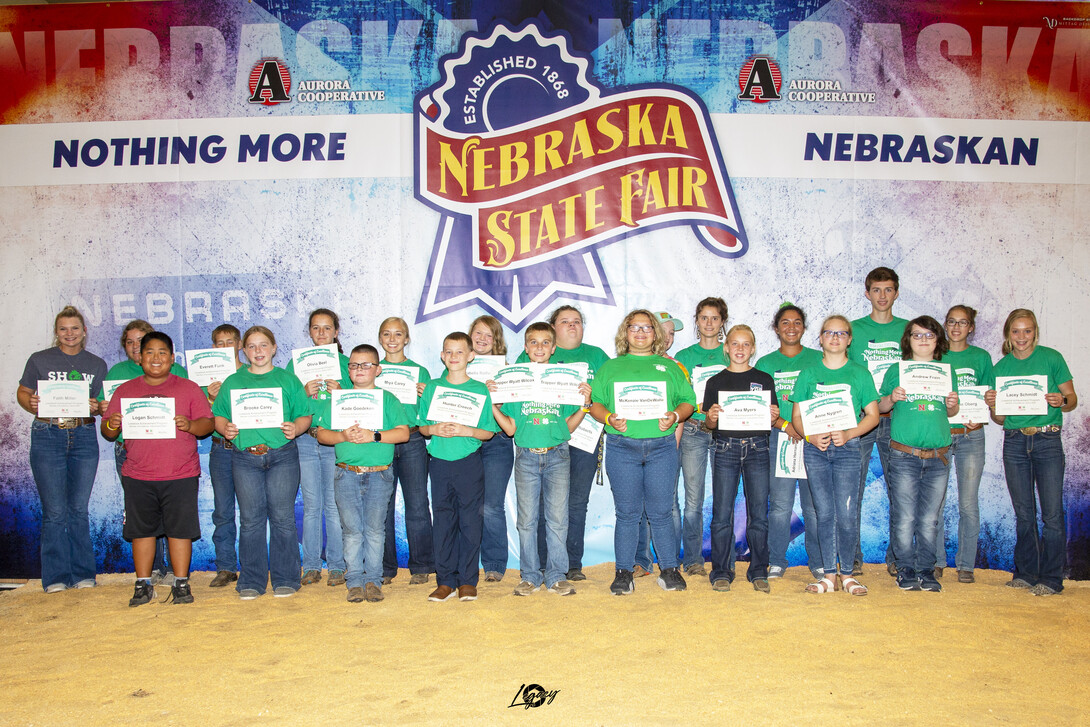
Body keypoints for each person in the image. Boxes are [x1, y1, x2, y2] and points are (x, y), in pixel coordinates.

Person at [101, 332, 213, 606]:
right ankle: (142, 583)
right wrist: (113, 423)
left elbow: (207, 424)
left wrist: (190, 425)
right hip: (138, 473)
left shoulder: (188, 388)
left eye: (162, 352)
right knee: (141, 531)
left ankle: (181, 582)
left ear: (172, 358)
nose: (156, 358)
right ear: (139, 358)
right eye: (149, 352)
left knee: (180, 530)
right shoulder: (125, 391)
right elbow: (107, 431)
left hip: (181, 473)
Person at [589, 309, 695, 595]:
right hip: (623, 447)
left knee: (661, 512)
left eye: (647, 328)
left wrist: (675, 416)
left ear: (655, 334)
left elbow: (689, 402)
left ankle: (669, 569)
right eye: (634, 327)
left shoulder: (671, 367)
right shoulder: (610, 368)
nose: (640, 332)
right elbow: (595, 404)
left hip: (662, 447)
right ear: (625, 333)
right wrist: (609, 418)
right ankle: (624, 571)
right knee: (627, 513)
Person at [490, 322, 590, 597]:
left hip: (558, 454)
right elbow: (510, 429)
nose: (539, 347)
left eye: (546, 342)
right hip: (525, 457)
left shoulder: (564, 379)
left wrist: (583, 405)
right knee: (527, 520)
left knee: (558, 519)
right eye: (533, 342)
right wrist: (493, 403)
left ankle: (557, 575)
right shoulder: (516, 380)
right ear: (525, 347)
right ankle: (530, 575)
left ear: (553, 347)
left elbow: (568, 428)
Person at [212, 326, 313, 600]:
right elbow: (218, 415)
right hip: (245, 457)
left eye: (263, 345)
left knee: (282, 518)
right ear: (243, 351)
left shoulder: (288, 380)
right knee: (251, 520)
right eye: (252, 346)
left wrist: (297, 428)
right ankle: (252, 580)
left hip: (282, 455)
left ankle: (286, 578)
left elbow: (305, 415)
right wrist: (226, 429)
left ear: (274, 348)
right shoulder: (233, 381)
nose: (258, 351)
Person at [986, 309, 1077, 596]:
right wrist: (993, 405)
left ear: (1035, 332)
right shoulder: (1001, 368)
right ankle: (1026, 572)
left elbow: (1071, 399)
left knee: (1051, 513)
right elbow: (1000, 419)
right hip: (1014, 441)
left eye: (1027, 331)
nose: (1021, 337)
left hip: (1047, 439)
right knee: (1024, 512)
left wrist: (1060, 399)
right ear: (1008, 335)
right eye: (1016, 331)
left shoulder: (1052, 358)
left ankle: (1051, 578)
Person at [17, 306, 107, 593]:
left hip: (83, 434)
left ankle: (82, 574)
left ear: (84, 332)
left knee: (78, 509)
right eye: (64, 329)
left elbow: (102, 402)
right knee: (55, 510)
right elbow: (23, 391)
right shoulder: (39, 360)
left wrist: (97, 405)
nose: (70, 334)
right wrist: (28, 402)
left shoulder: (96, 364)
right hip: (48, 433)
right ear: (56, 333)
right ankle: (55, 576)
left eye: (75, 328)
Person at [517, 305, 611, 581]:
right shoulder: (532, 353)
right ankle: (543, 563)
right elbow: (516, 390)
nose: (572, 326)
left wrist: (592, 401)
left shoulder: (597, 356)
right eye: (565, 321)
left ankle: (572, 564)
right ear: (552, 329)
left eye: (577, 321)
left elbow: (607, 393)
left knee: (576, 502)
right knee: (542, 505)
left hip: (585, 435)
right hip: (542, 435)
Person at [315, 344, 411, 603]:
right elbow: (321, 433)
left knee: (375, 530)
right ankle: (355, 580)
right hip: (345, 472)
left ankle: (374, 580)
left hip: (380, 474)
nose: (359, 369)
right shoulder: (339, 400)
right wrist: (342, 435)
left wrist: (374, 435)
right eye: (354, 365)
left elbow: (403, 432)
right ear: (348, 370)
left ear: (377, 370)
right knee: (351, 530)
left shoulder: (388, 399)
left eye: (366, 365)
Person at [791, 315, 879, 596]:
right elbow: (796, 416)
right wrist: (810, 436)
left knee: (847, 513)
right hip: (816, 450)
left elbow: (873, 416)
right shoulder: (808, 373)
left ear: (849, 339)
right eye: (829, 332)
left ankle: (849, 575)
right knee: (823, 513)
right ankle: (829, 575)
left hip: (848, 450)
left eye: (842, 333)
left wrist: (851, 434)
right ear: (820, 338)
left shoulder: (859, 373)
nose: (835, 338)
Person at [99, 319, 188, 585]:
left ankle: (176, 569)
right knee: (143, 513)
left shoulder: (179, 373)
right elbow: (107, 420)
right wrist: (105, 412)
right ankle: (155, 568)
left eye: (143, 341)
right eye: (130, 342)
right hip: (130, 449)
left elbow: (190, 408)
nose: (137, 347)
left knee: (173, 512)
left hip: (169, 450)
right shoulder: (117, 374)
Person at [878, 317, 960, 592]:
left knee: (929, 518)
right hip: (904, 454)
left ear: (938, 340)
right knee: (904, 516)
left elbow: (950, 413)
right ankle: (905, 569)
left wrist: (952, 404)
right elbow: (880, 406)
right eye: (917, 335)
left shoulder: (947, 372)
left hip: (938, 456)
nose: (923, 340)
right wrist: (892, 398)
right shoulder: (896, 370)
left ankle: (927, 569)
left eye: (929, 335)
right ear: (908, 340)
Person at [418, 332, 500, 602]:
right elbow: (422, 427)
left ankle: (467, 580)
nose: (454, 357)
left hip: (468, 464)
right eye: (448, 352)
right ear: (442, 356)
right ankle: (445, 581)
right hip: (439, 462)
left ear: (471, 355)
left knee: (470, 522)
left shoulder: (479, 390)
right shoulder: (432, 388)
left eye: (459, 352)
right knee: (442, 521)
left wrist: (466, 429)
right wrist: (435, 428)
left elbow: (488, 433)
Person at [702, 325, 777, 593]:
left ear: (753, 348)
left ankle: (758, 570)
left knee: (759, 513)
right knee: (722, 513)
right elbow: (710, 425)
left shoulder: (765, 380)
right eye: (735, 344)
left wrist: (773, 415)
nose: (740, 349)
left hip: (758, 448)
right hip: (725, 448)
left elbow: (773, 418)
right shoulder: (715, 382)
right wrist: (710, 419)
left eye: (746, 344)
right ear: (726, 347)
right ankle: (721, 571)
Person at [755, 304, 824, 579]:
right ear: (776, 328)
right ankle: (776, 561)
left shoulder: (819, 360)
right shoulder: (765, 364)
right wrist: (786, 424)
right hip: (779, 437)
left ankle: (818, 561)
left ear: (804, 328)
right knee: (781, 506)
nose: (791, 327)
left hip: (814, 439)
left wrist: (806, 429)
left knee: (814, 506)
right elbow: (759, 407)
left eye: (797, 322)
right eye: (785, 323)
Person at [848, 267, 907, 576]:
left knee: (900, 491)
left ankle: (897, 556)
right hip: (862, 419)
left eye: (888, 290)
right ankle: (852, 555)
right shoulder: (853, 331)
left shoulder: (910, 330)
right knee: (852, 489)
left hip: (899, 420)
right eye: (876, 290)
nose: (882, 296)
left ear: (896, 293)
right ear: (867, 293)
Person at [287, 308, 351, 588]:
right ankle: (311, 564)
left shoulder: (349, 364)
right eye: (316, 328)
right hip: (304, 439)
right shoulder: (294, 366)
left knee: (334, 506)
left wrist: (343, 393)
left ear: (336, 332)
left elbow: (363, 403)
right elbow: (285, 403)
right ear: (309, 332)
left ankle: (337, 566)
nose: (322, 333)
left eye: (327, 328)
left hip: (334, 439)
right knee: (312, 505)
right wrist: (302, 391)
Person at [936, 306, 994, 583]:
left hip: (972, 436)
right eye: (951, 322)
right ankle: (935, 560)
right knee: (936, 501)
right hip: (941, 435)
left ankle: (966, 565)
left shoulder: (981, 357)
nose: (956, 327)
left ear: (971, 327)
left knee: (968, 503)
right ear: (944, 325)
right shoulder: (935, 354)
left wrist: (982, 412)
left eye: (963, 323)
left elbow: (988, 397)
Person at [377, 316, 434, 585]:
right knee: (383, 505)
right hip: (383, 441)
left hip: (412, 441)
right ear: (380, 339)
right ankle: (386, 568)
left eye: (398, 334)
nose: (392, 339)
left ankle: (422, 566)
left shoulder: (420, 372)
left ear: (407, 339)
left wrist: (427, 396)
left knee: (418, 504)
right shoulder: (373, 371)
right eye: (386, 334)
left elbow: (430, 413)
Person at [674, 297, 729, 577]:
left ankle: (725, 558)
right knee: (693, 499)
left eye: (715, 318)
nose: (709, 323)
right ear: (696, 321)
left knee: (725, 496)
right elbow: (679, 399)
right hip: (694, 429)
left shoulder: (731, 353)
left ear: (722, 322)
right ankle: (694, 559)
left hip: (727, 432)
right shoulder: (684, 357)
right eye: (704, 317)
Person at [468, 314, 514, 582]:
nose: (483, 339)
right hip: (466, 440)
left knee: (492, 505)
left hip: (497, 441)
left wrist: (498, 393)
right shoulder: (456, 364)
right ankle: (467, 562)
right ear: (470, 335)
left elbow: (512, 413)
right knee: (468, 504)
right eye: (478, 333)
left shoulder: (506, 371)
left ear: (496, 340)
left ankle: (495, 564)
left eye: (489, 335)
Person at [204, 324, 244, 587]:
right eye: (219, 343)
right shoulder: (205, 379)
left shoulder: (252, 373)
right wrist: (210, 398)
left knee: (256, 511)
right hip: (220, 447)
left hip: (248, 447)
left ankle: (258, 564)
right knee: (223, 510)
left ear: (239, 345)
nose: (224, 347)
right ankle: (226, 566)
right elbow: (203, 419)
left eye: (229, 342)